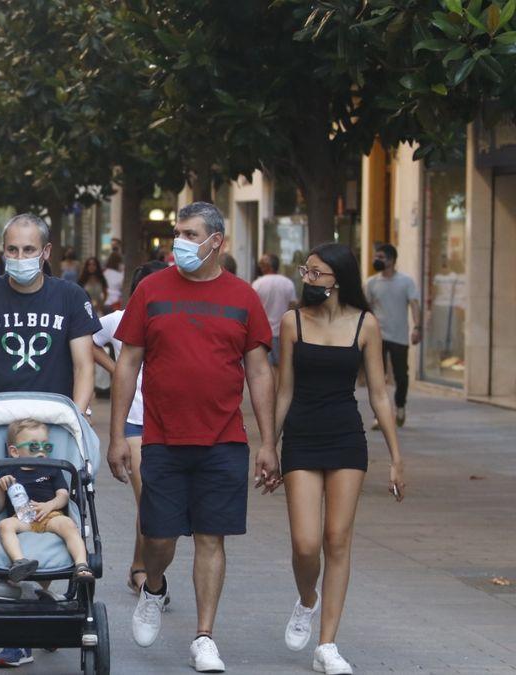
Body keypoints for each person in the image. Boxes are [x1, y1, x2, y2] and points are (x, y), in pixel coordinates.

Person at [106, 202, 278, 673]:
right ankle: (154, 586)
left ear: (216, 241)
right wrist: (117, 434)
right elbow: (127, 363)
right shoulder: (152, 290)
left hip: (224, 439)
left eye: (188, 233)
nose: (177, 241)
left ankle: (204, 636)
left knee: (211, 538)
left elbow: (260, 372)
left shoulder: (243, 297)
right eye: (176, 231)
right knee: (159, 538)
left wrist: (268, 442)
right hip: (160, 437)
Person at [0, 213, 100, 670]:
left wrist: (73, 418)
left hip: (53, 422)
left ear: (46, 252)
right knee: (4, 508)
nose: (19, 259)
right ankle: (23, 611)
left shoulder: (70, 296)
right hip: (0, 426)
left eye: (28, 250)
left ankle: (44, 607)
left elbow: (84, 365)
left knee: (54, 506)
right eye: (11, 250)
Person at [272, 243, 405, 674]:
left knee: (337, 540)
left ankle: (327, 644)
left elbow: (380, 395)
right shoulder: (292, 322)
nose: (306, 279)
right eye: (305, 272)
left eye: (315, 273)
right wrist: (267, 446)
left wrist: (396, 457)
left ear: (338, 280)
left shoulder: (365, 325)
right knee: (306, 543)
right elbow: (284, 388)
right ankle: (306, 599)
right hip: (302, 437)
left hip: (347, 437)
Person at [90, 261, 169, 598]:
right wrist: (116, 367)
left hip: (169, 421)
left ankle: (139, 566)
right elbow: (88, 339)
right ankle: (143, 574)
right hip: (135, 418)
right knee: (148, 497)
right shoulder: (120, 319)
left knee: (155, 504)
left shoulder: (174, 319)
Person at [0, 419, 94, 585]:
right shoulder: (8, 470)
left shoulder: (52, 467)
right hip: (22, 518)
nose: (41, 450)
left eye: (46, 446)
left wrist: (50, 505)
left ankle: (81, 565)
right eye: (34, 446)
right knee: (5, 525)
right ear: (15, 452)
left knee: (68, 524)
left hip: (51, 516)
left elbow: (63, 495)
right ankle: (19, 562)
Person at [366, 243, 421, 428]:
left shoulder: (406, 281)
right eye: (376, 256)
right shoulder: (371, 283)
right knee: (377, 377)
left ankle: (400, 406)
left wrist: (417, 328)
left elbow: (414, 304)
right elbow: (367, 308)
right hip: (377, 336)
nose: (377, 260)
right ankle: (379, 415)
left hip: (399, 336)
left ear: (391, 260)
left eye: (381, 257)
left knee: (401, 376)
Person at [253, 253, 298, 371]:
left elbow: (253, 311)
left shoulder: (257, 284)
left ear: (265, 267)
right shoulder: (288, 283)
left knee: (265, 368)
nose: (260, 266)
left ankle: (270, 389)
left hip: (263, 334)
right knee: (282, 367)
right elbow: (293, 307)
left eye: (261, 264)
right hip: (283, 332)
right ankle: (280, 389)